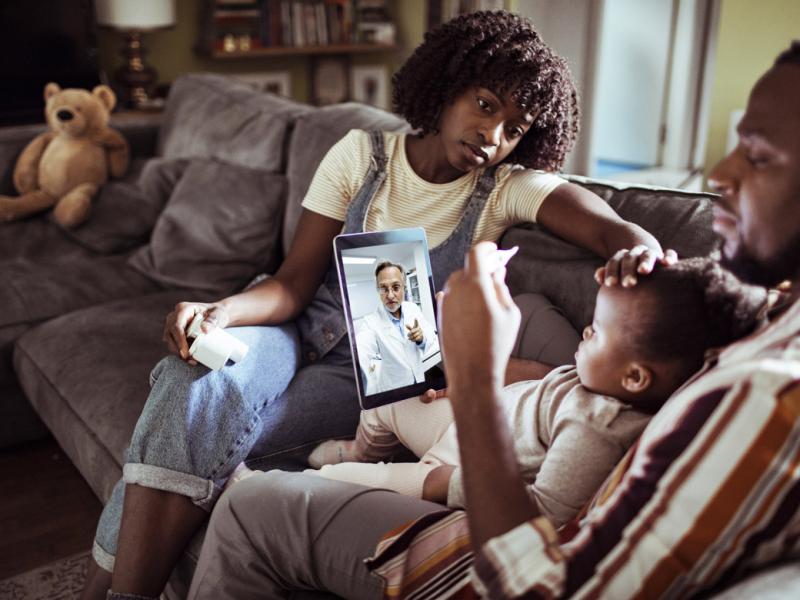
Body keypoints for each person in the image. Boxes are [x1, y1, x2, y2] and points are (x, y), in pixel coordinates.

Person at [83, 11, 667, 599]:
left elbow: (619, 232)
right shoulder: (362, 154)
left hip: (373, 381)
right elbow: (293, 283)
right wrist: (222, 311)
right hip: (294, 327)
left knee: (197, 422)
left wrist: (638, 255)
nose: (493, 135)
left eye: (515, 128)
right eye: (486, 104)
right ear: (447, 84)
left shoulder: (508, 189)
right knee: (191, 376)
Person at [185, 42, 800, 599]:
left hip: (488, 545)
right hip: (397, 386)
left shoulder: (767, 391)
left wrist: (476, 378)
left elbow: (541, 574)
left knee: (249, 501)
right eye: (482, 104)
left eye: (759, 156)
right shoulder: (768, 322)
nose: (719, 176)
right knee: (203, 395)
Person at [301, 258, 766, 527]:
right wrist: (464, 378)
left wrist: (443, 483)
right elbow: (538, 381)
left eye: (597, 331)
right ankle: (360, 450)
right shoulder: (599, 379)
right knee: (392, 389)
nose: (585, 330)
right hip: (469, 421)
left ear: (637, 378)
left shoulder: (599, 428)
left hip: (459, 468)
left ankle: (291, 485)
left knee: (351, 488)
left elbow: (544, 513)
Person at [357, 260, 438, 394]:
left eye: (395, 287)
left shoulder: (413, 308)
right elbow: (360, 349)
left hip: (419, 378)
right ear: (378, 290)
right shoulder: (370, 322)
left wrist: (421, 338)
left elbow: (431, 336)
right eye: (383, 288)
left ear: (404, 288)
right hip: (394, 387)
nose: (390, 295)